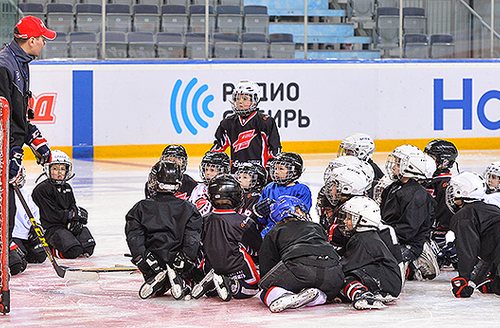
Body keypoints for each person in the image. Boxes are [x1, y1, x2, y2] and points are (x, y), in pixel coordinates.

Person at [0, 16, 54, 263]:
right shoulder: (4, 66)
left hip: (9, 145)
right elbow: (1, 117)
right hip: (2, 148)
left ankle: (7, 244)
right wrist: (10, 153)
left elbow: (17, 115)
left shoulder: (21, 62)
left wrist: (33, 138)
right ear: (31, 40)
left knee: (8, 205)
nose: (44, 42)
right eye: (42, 38)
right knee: (4, 204)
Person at [125, 161, 202, 300]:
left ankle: (158, 281)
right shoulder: (189, 209)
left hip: (151, 262)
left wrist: (142, 258)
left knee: (158, 286)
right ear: (177, 184)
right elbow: (192, 240)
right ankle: (181, 280)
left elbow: (134, 238)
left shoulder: (140, 207)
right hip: (179, 261)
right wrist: (185, 260)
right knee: (189, 274)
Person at [258, 195, 345, 312]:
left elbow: (267, 268)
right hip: (333, 273)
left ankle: (282, 296)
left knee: (265, 291)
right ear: (297, 210)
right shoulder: (317, 227)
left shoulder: (274, 232)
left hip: (299, 268)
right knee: (326, 292)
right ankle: (316, 296)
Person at [192, 174, 261, 301]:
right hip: (238, 270)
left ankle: (212, 285)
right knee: (253, 288)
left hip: (210, 267)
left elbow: (197, 247)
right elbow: (256, 249)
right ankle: (232, 284)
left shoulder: (203, 220)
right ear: (236, 197)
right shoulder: (244, 221)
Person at [380, 145, 439, 281]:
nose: (394, 166)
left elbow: (409, 229)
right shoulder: (393, 187)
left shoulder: (418, 195)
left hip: (409, 242)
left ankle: (418, 254)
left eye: (398, 163)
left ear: (411, 167)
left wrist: (385, 237)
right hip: (392, 234)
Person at [337, 196, 401, 305]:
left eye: (349, 218)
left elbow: (346, 267)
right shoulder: (367, 236)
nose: (345, 221)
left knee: (343, 279)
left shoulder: (361, 239)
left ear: (363, 219)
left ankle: (361, 294)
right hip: (389, 280)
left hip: (386, 280)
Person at [32, 150, 95, 259]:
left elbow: (72, 206)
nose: (59, 172)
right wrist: (70, 215)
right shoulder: (42, 189)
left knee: (88, 246)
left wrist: (77, 218)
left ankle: (69, 241)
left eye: (62, 169)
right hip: (51, 229)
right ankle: (51, 247)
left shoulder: (67, 188)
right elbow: (51, 215)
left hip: (65, 226)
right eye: (55, 169)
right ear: (48, 169)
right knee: (73, 251)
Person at [446, 172, 500, 297]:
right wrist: (475, 282)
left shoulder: (463, 216)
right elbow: (490, 254)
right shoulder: (492, 209)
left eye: (454, 190)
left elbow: (468, 250)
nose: (451, 194)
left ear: (463, 192)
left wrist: (464, 279)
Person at [210, 80, 281, 172]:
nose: (240, 102)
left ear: (255, 100)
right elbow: (219, 146)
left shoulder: (265, 122)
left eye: (245, 99)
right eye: (238, 98)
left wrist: (269, 168)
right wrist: (210, 158)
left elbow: (275, 148)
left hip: (259, 173)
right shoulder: (228, 123)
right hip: (236, 173)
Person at [253, 152, 312, 237]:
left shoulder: (301, 190)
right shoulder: (269, 188)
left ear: (294, 171)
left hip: (292, 232)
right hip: (269, 231)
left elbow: (301, 216)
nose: (276, 172)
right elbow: (262, 219)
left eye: (281, 169)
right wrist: (259, 212)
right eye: (275, 168)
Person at [422, 139, 459, 267]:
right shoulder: (430, 178)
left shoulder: (445, 183)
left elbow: (444, 210)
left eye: (431, 158)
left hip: (435, 229)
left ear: (444, 161)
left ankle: (441, 246)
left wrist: (439, 232)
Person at [11, 165, 46, 274]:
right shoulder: (4, 194)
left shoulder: (24, 193)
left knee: (40, 255)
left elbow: (34, 212)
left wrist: (35, 227)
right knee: (18, 262)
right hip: (13, 236)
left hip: (27, 235)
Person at [189, 152, 231, 217]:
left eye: (212, 170)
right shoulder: (199, 188)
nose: (207, 173)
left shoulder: (228, 188)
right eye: (206, 169)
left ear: (223, 171)